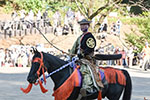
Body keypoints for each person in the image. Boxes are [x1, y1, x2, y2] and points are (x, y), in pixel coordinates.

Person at [69, 19, 103, 95]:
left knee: (85, 70)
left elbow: (90, 48)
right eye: (81, 25)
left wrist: (82, 55)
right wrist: (70, 55)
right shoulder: (80, 37)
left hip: (86, 58)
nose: (82, 26)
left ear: (88, 26)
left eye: (84, 25)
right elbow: (74, 47)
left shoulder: (89, 36)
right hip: (78, 58)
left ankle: (88, 88)